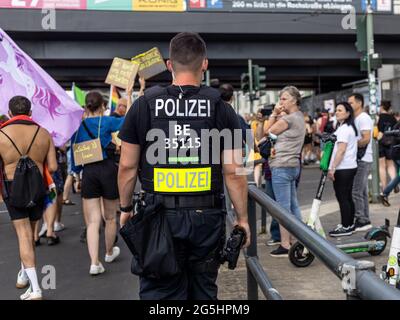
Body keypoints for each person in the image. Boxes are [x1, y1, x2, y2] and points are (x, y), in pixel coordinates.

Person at [118, 32, 250, 300]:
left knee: (160, 291)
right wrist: (243, 219)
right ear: (205, 64)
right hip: (207, 219)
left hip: (158, 218)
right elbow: (234, 172)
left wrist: (125, 209)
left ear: (169, 65)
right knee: (204, 290)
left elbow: (127, 167)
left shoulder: (143, 105)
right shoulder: (223, 109)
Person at [0, 96, 57, 300]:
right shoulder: (43, 133)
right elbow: (53, 167)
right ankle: (24, 274)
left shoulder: (1, 134)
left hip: (11, 187)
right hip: (37, 187)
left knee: (23, 235)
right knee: (30, 233)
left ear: (10, 113)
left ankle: (36, 289)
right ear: (30, 113)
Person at [71, 91, 124, 275]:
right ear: (103, 106)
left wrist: (77, 176)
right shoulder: (108, 122)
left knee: (92, 222)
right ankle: (109, 252)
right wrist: (134, 93)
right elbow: (125, 121)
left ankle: (94, 263)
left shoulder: (79, 126)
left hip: (90, 173)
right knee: (110, 218)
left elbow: (74, 152)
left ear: (86, 107)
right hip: (109, 170)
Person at [263, 86, 305, 257]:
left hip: (281, 166)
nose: (281, 102)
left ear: (294, 100)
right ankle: (302, 240)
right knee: (293, 207)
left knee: (283, 210)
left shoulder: (289, 119)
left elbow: (268, 132)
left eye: (284, 99)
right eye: (280, 99)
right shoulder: (299, 117)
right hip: (293, 165)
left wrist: (273, 114)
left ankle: (286, 245)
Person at [327, 102, 358, 236]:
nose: (337, 112)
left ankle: (346, 227)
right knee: (347, 196)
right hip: (349, 167)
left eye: (340, 110)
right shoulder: (346, 127)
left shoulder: (345, 129)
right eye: (336, 110)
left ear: (347, 113)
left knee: (343, 197)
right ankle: (349, 224)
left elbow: (341, 150)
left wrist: (332, 168)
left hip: (343, 168)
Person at [348, 93, 373, 232]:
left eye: (351, 103)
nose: (349, 105)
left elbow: (366, 139)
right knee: (362, 191)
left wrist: (351, 144)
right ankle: (365, 219)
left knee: (356, 191)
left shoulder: (363, 118)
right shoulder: (357, 118)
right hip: (362, 158)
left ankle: (361, 219)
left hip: (362, 158)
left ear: (359, 103)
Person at [377, 100, 397, 192]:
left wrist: (377, 141)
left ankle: (385, 188)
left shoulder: (379, 118)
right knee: (390, 164)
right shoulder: (393, 118)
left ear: (381, 107)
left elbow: (380, 132)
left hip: (381, 143)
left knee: (382, 166)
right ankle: (394, 183)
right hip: (391, 143)